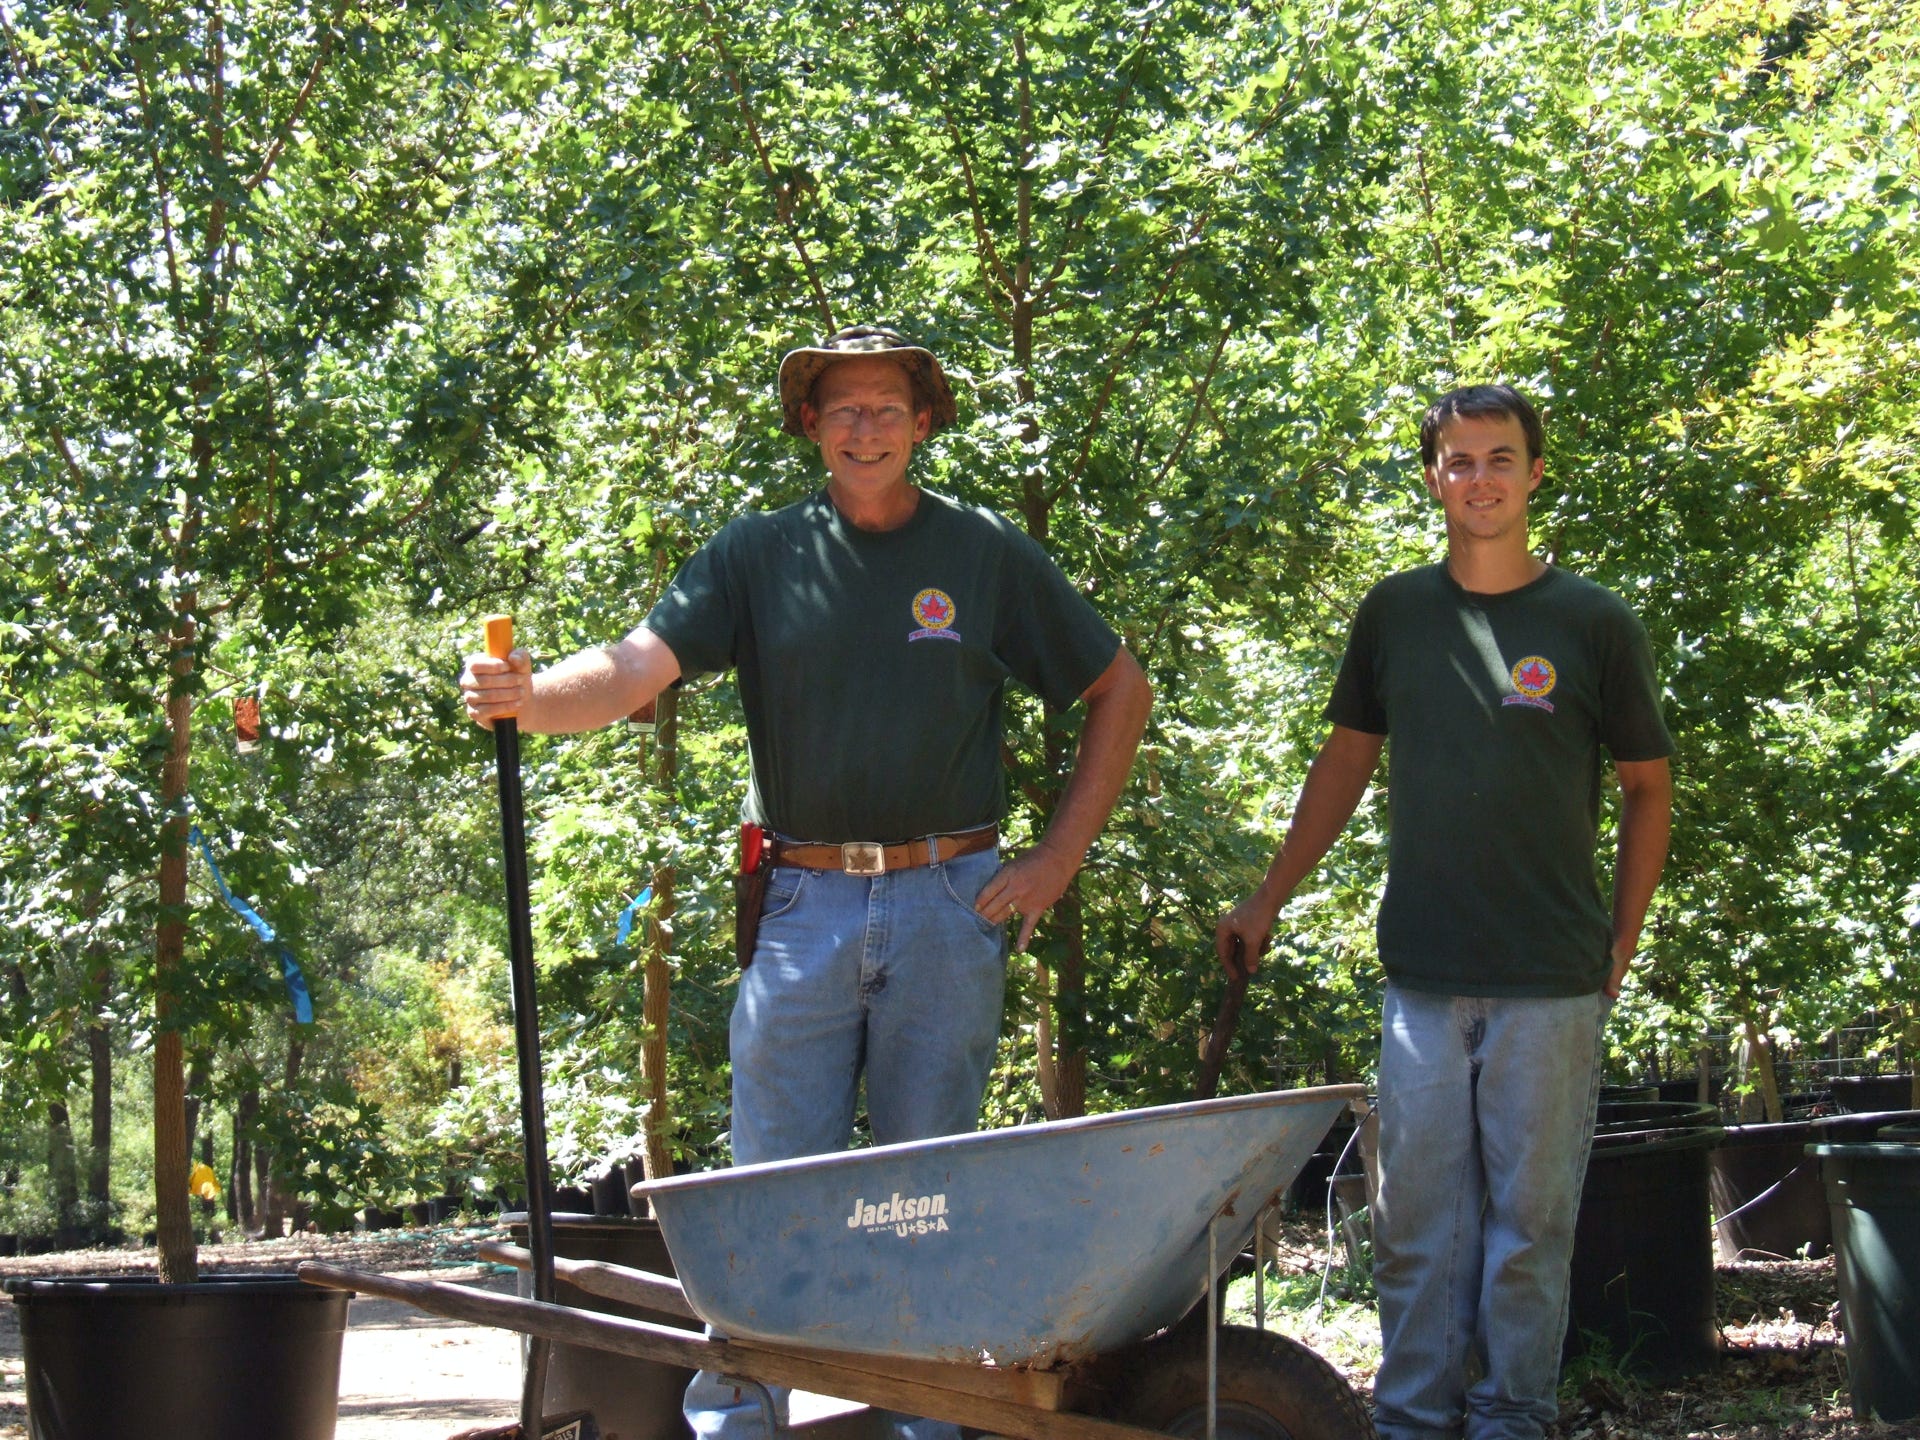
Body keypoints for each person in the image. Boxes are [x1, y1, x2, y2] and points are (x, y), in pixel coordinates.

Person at [461, 323, 1151, 1440]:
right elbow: (635, 669)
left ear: (924, 422)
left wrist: (1056, 856)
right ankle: (741, 1423)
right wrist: (529, 699)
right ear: (810, 426)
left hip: (950, 901)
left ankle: (930, 1424)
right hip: (802, 908)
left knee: (933, 1206)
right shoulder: (758, 556)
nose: (865, 427)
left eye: (887, 407)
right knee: (769, 1201)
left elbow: (1122, 689)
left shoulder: (983, 556)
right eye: (843, 409)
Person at [1216, 384, 1673, 1440]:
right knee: (1418, 1221)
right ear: (1432, 477)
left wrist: (1622, 940)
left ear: (1535, 473)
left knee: (1532, 1224)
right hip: (1421, 977)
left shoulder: (1593, 623)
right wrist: (1268, 894)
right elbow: (1342, 764)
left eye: (1500, 458)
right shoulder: (1397, 614)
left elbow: (1648, 787)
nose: (1480, 478)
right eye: (1458, 460)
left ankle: (1513, 1415)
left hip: (1553, 983)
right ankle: (1416, 1419)